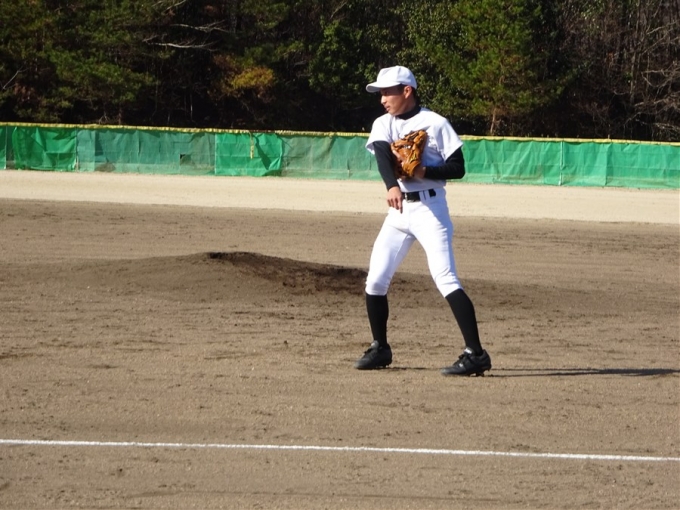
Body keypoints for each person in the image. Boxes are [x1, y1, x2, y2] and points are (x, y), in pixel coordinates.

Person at [354, 65, 492, 376]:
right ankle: (380, 347)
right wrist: (392, 185)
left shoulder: (435, 123)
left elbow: (458, 168)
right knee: (375, 280)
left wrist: (423, 171)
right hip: (399, 212)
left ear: (407, 91)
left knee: (445, 278)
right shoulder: (383, 123)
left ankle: (476, 354)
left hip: (431, 210)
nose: (382, 99)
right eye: (380, 93)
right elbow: (382, 155)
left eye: (387, 92)